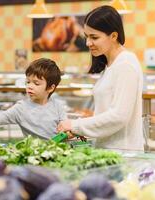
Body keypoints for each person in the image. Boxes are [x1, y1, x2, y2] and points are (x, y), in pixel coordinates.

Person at [57, 5, 144, 150]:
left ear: (114, 36)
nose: (88, 43)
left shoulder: (125, 65)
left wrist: (76, 125)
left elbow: (119, 116)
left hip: (123, 154)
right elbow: (105, 114)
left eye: (94, 37)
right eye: (86, 37)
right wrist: (77, 130)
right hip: (109, 151)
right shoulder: (110, 65)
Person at [0, 58, 66, 139]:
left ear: (50, 88)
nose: (30, 86)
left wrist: (68, 132)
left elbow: (65, 126)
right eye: (28, 82)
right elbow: (2, 117)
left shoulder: (58, 106)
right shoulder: (21, 108)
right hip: (34, 154)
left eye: (36, 83)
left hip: (58, 150)